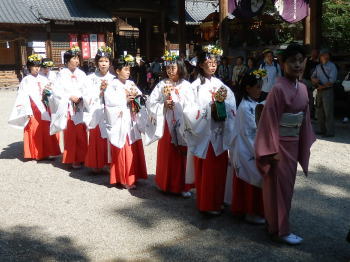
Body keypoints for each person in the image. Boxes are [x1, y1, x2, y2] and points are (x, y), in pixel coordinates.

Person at [255, 44, 316, 245]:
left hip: (293, 142)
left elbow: (305, 120)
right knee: (279, 189)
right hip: (278, 146)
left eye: (301, 60)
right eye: (292, 61)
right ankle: (281, 230)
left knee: (284, 188)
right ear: (282, 64)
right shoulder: (278, 89)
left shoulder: (304, 88)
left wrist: (303, 143)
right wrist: (271, 150)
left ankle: (274, 225)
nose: (298, 65)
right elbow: (268, 121)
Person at [182, 45, 236, 215]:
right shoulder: (195, 86)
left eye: (214, 63)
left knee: (219, 170)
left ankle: (218, 200)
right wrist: (208, 110)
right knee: (208, 171)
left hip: (219, 132)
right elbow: (188, 110)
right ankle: (206, 204)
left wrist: (223, 108)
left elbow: (232, 104)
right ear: (200, 65)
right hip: (204, 134)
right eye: (208, 62)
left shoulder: (221, 85)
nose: (212, 66)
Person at [147, 51, 193, 198]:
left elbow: (193, 104)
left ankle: (182, 186)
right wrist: (163, 104)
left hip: (183, 123)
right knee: (168, 154)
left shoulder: (187, 86)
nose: (170, 70)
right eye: (168, 67)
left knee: (181, 155)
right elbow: (151, 102)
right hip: (167, 124)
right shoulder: (162, 84)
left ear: (180, 67)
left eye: (173, 67)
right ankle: (164, 183)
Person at [104, 54, 148, 189]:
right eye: (125, 69)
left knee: (134, 147)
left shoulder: (131, 83)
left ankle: (135, 175)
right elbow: (110, 104)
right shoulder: (112, 85)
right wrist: (125, 101)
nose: (128, 72)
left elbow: (140, 96)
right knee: (124, 148)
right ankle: (124, 178)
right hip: (121, 121)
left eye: (129, 69)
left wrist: (138, 98)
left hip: (132, 119)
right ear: (117, 71)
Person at [8, 54, 61, 160]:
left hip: (44, 108)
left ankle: (47, 152)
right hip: (32, 108)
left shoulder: (44, 79)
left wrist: (49, 93)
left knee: (46, 130)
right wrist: (27, 109)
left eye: (38, 66)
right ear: (29, 67)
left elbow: (51, 92)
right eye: (34, 66)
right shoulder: (26, 80)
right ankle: (36, 153)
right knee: (34, 129)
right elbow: (22, 96)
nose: (37, 68)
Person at [230, 71, 266, 224]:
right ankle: (250, 211)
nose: (260, 90)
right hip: (247, 149)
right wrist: (262, 151)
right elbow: (249, 134)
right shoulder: (246, 107)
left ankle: (253, 210)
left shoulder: (253, 104)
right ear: (248, 88)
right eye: (257, 87)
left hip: (250, 147)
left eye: (260, 87)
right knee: (253, 177)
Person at [50, 46, 88, 168]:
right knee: (71, 133)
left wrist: (81, 97)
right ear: (67, 61)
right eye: (74, 58)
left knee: (81, 133)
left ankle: (83, 157)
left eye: (77, 58)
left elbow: (87, 89)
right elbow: (56, 91)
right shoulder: (61, 74)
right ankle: (72, 158)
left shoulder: (82, 74)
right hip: (68, 107)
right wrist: (69, 96)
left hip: (80, 105)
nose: (76, 61)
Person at [83, 46, 115, 173]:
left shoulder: (114, 78)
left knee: (109, 137)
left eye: (106, 61)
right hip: (96, 110)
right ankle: (96, 163)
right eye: (101, 61)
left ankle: (109, 163)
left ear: (110, 63)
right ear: (97, 63)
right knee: (97, 136)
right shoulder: (90, 78)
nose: (103, 64)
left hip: (109, 112)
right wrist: (99, 93)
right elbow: (86, 95)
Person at [311, 48, 337, 137]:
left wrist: (322, 86)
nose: (325, 56)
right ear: (321, 56)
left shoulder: (332, 66)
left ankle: (330, 132)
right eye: (324, 54)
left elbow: (332, 80)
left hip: (327, 91)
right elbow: (312, 76)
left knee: (328, 112)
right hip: (319, 91)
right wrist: (314, 80)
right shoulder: (318, 67)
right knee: (319, 112)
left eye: (327, 54)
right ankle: (322, 130)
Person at [302, 48, 319, 119]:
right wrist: (300, 79)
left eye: (315, 52)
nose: (314, 54)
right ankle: (306, 113)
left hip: (315, 82)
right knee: (306, 98)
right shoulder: (307, 59)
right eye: (313, 52)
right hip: (306, 80)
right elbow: (302, 68)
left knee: (314, 98)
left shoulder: (319, 61)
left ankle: (314, 114)